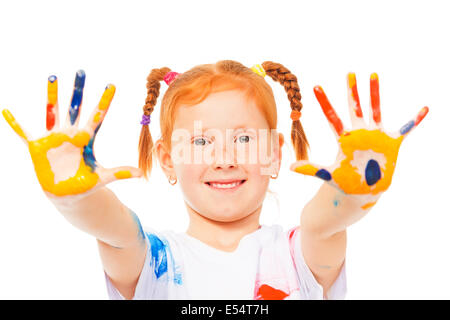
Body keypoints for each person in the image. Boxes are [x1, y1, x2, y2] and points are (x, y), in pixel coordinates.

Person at [2, 60, 428, 300]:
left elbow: (324, 223)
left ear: (275, 153)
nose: (224, 159)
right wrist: (74, 198)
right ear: (167, 160)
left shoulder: (297, 254)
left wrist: (351, 190)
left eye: (244, 138)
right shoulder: (154, 261)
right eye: (201, 141)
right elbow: (116, 231)